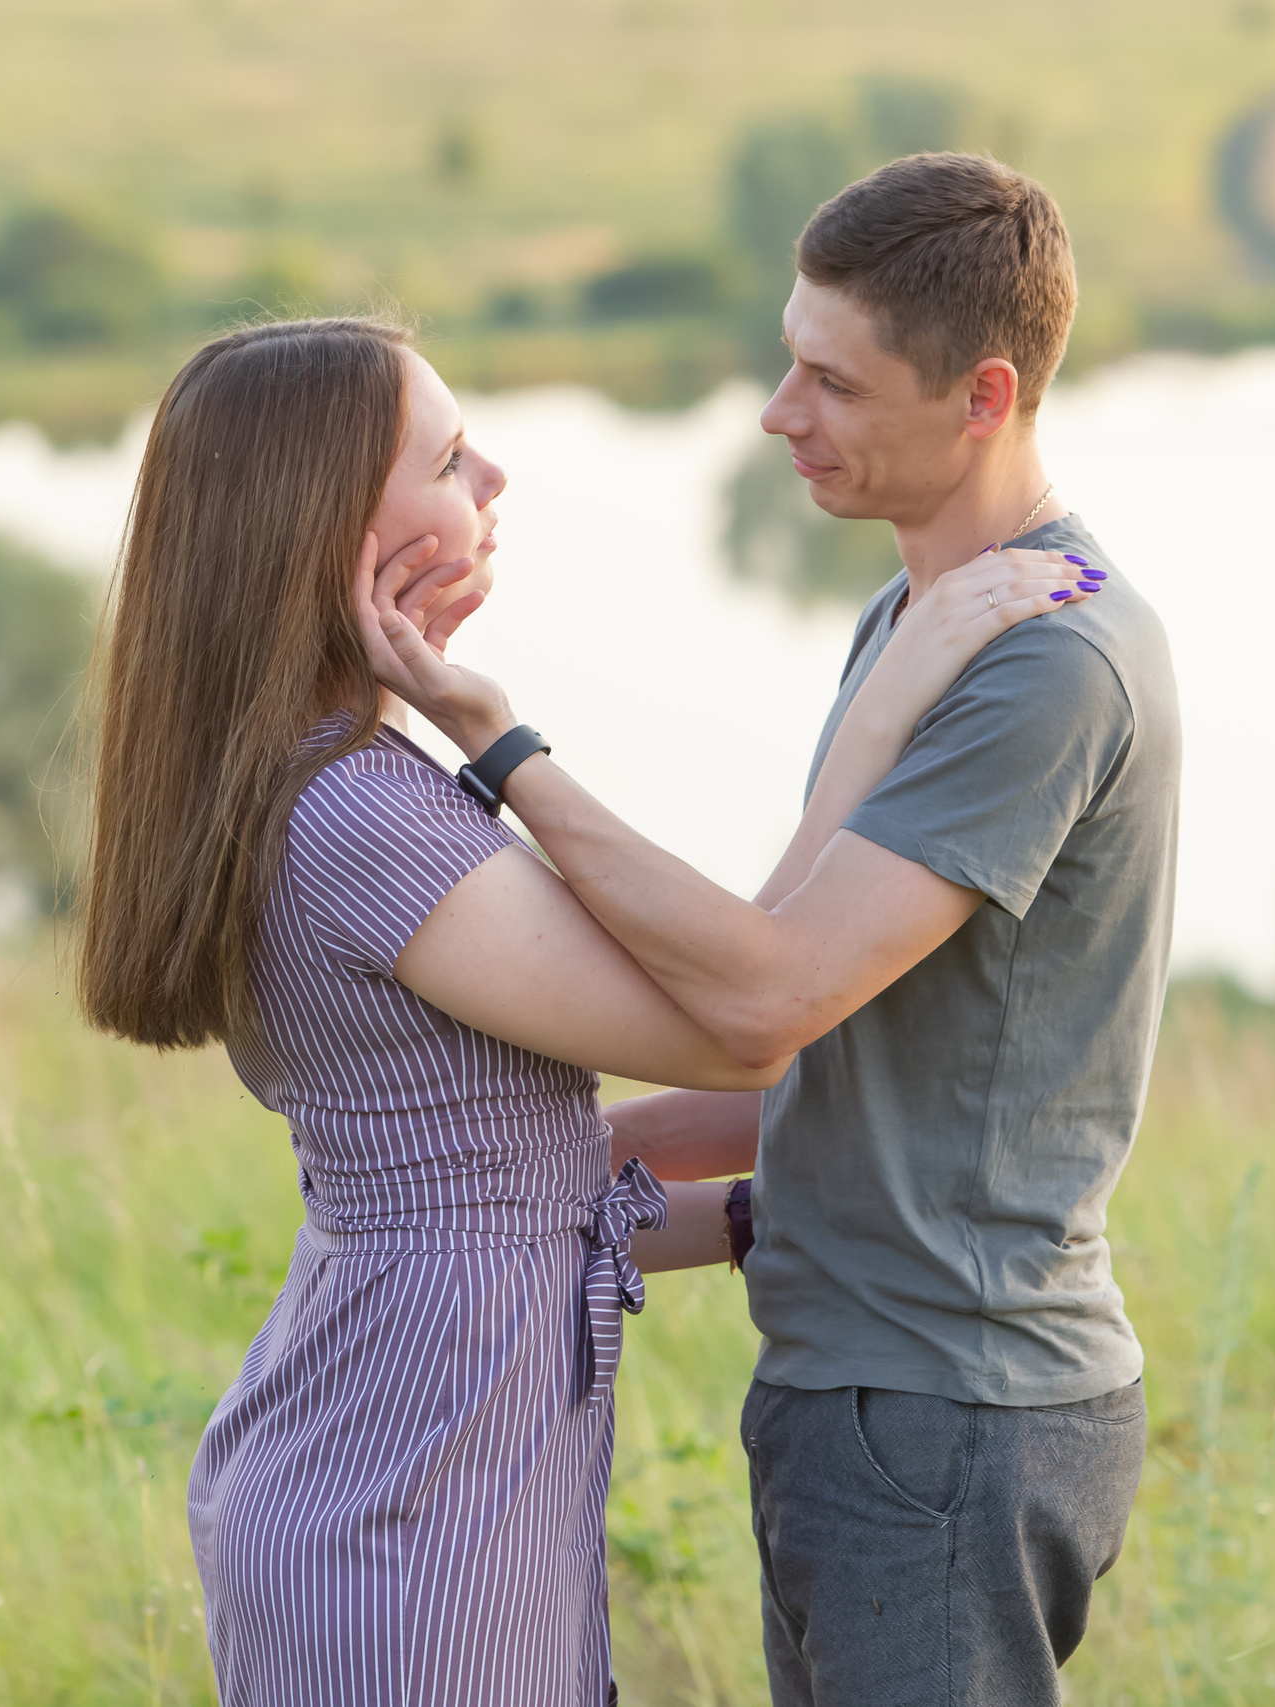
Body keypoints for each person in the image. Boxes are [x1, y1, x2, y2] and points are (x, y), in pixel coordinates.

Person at [72, 313, 1091, 1705]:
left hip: (418, 1455)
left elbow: (508, 1194)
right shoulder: (366, 817)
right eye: (449, 457)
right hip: (409, 1502)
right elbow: (739, 1012)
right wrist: (888, 708)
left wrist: (790, 1213)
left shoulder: (336, 782)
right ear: (329, 529)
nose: (494, 482)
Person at [362, 152, 1180, 1706]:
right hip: (865, 1391)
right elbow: (854, 1056)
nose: (777, 413)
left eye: (831, 381)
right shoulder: (924, 621)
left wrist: (503, 748)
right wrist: (563, 1166)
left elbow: (772, 994)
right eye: (785, 358)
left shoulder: (1040, 663)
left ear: (983, 395)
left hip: (944, 1405)